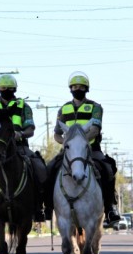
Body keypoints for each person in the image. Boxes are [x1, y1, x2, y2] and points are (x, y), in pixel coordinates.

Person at [44, 71, 122, 225]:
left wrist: (80, 142)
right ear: (70, 89)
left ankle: (110, 207)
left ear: (86, 89)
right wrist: (68, 142)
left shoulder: (95, 107)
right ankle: (47, 206)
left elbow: (95, 130)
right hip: (68, 152)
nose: (77, 89)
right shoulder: (63, 109)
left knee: (108, 169)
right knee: (49, 169)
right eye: (74, 86)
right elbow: (57, 135)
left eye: (81, 87)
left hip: (91, 149)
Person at [0, 74, 47, 223]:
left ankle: (39, 208)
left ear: (15, 89)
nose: (6, 90)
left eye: (9, 88)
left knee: (40, 168)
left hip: (19, 147)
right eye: (3, 88)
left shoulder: (23, 106)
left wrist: (21, 133)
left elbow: (31, 129)